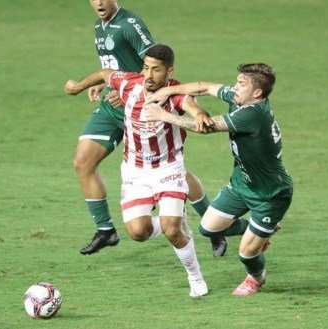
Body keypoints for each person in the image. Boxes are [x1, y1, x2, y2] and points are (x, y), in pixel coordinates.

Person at [75, 0, 227, 256]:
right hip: (114, 106)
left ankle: (213, 227)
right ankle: (105, 230)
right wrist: (105, 83)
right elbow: (114, 65)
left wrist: (134, 90)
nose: (99, 2)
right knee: (82, 163)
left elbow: (154, 63)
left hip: (144, 106)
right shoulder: (100, 26)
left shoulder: (129, 26)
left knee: (172, 171)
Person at [66, 44, 211, 297]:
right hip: (135, 171)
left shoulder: (175, 95)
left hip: (169, 168)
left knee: (171, 230)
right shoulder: (128, 85)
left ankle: (195, 277)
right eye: (146, 68)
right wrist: (78, 86)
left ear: (169, 72)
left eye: (156, 70)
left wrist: (200, 114)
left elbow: (193, 106)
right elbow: (104, 73)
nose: (149, 75)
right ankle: (176, 220)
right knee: (137, 233)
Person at [143, 63, 293, 295]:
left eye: (242, 85)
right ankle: (261, 230)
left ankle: (256, 278)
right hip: (242, 184)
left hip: (270, 194)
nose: (235, 87)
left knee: (247, 253)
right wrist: (169, 91)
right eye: (237, 81)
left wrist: (163, 115)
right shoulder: (241, 98)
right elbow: (205, 87)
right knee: (207, 228)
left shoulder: (253, 114)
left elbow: (206, 127)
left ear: (257, 93)